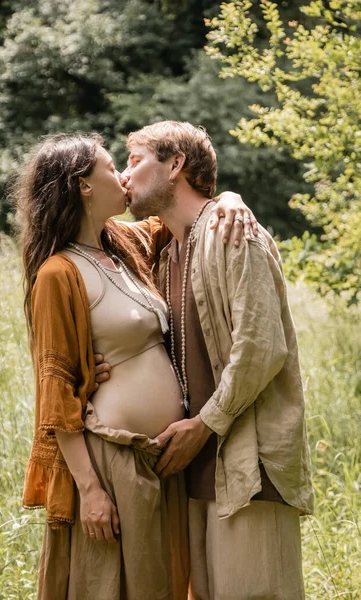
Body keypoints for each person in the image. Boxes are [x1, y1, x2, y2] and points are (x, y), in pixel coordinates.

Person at [16, 131, 255, 600]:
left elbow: (185, 211)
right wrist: (91, 491)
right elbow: (56, 394)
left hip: (163, 458)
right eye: (111, 167)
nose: (123, 175)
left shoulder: (127, 244)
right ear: (83, 185)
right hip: (110, 461)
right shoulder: (57, 274)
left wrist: (230, 196)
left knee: (162, 585)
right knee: (112, 587)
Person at [118, 121, 314, 600]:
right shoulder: (162, 253)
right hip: (193, 473)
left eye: (135, 160)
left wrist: (204, 424)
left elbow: (262, 347)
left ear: (176, 164)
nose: (125, 177)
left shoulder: (232, 233)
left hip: (250, 464)